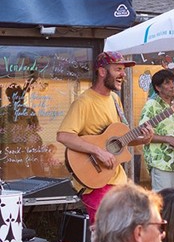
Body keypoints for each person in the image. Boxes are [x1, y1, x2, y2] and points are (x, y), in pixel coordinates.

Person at [57, 51, 156, 223]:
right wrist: (97, 151)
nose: (123, 74)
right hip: (94, 183)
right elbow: (64, 136)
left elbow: (121, 139)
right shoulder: (84, 102)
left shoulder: (115, 100)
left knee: (130, 229)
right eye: (118, 69)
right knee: (107, 236)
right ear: (102, 72)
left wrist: (143, 139)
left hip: (117, 180)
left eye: (123, 70)